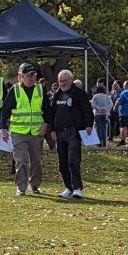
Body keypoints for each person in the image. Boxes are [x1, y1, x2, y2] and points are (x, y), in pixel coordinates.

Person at [46, 69, 92, 198]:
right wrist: (52, 129)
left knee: (73, 160)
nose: (62, 83)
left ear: (71, 80)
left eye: (65, 81)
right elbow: (52, 113)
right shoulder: (57, 94)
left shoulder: (79, 94)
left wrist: (88, 125)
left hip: (74, 132)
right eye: (60, 81)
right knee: (62, 163)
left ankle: (77, 188)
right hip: (60, 133)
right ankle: (68, 187)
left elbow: (87, 110)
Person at [7, 63, 48, 195]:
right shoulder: (15, 90)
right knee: (21, 160)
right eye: (29, 75)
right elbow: (5, 110)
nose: (32, 78)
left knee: (36, 160)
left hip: (36, 132)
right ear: (21, 76)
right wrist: (2, 128)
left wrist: (46, 124)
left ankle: (35, 185)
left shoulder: (40, 89)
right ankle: (21, 187)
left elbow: (47, 109)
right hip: (18, 132)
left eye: (34, 75)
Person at [90, 80, 114, 147]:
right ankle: (105, 141)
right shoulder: (107, 96)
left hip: (98, 114)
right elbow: (111, 104)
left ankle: (99, 142)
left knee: (99, 128)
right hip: (106, 114)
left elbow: (93, 104)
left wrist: (99, 109)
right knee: (105, 128)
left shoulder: (95, 96)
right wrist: (106, 109)